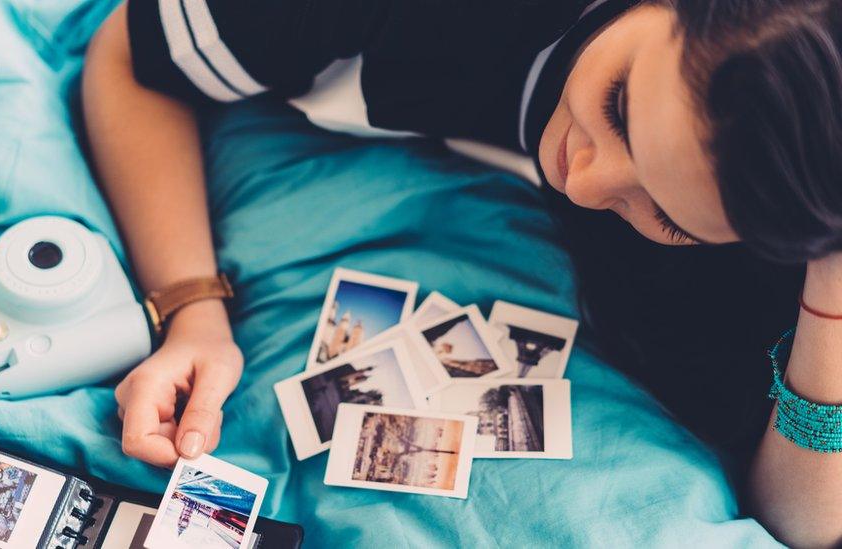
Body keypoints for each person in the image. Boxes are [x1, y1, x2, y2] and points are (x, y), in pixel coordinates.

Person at [82, 0, 842, 544]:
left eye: (669, 217)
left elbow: (803, 521)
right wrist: (192, 310)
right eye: (618, 108)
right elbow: (132, 55)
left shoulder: (781, 203)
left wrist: (831, 284)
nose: (582, 183)